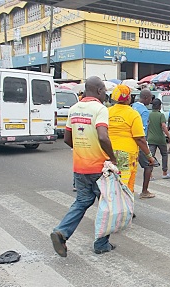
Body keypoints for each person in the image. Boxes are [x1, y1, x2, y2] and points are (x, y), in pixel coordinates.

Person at [51, 76, 118, 257]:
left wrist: (81, 149)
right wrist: (112, 157)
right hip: (99, 169)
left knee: (82, 201)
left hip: (80, 167)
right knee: (107, 206)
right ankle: (101, 244)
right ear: (98, 91)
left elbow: (66, 138)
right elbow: (103, 137)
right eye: (104, 90)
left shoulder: (73, 109)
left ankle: (62, 232)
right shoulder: (100, 109)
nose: (105, 94)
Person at [107, 85, 155, 195]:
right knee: (125, 186)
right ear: (128, 98)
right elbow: (140, 138)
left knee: (110, 184)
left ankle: (111, 207)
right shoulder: (133, 114)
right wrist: (149, 156)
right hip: (126, 155)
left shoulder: (107, 112)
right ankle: (125, 209)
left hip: (107, 153)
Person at [131, 89, 155, 199]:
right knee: (149, 164)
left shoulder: (133, 106)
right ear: (145, 97)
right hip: (139, 142)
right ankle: (144, 191)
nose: (151, 101)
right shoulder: (144, 111)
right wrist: (147, 150)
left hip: (129, 141)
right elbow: (142, 132)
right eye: (150, 98)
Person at [148, 98, 170, 179]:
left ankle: (150, 175)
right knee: (164, 154)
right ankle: (164, 173)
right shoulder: (161, 115)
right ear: (159, 106)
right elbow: (164, 126)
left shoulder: (149, 114)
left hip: (151, 139)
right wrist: (169, 136)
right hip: (160, 139)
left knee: (151, 156)